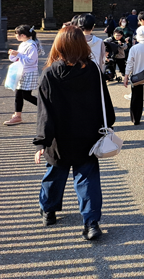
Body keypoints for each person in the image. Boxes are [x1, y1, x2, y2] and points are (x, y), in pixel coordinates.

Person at [33, 25, 115, 241]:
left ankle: (48, 211)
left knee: (54, 175)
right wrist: (107, 125)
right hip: (87, 135)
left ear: (58, 45)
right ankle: (91, 223)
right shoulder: (93, 70)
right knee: (87, 179)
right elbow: (104, 103)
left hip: (59, 138)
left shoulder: (50, 74)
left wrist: (43, 142)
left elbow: (45, 112)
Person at [3, 25, 42, 126]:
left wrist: (18, 55)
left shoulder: (31, 45)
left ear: (23, 35)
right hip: (22, 71)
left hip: (28, 72)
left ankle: (47, 107)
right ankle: (17, 115)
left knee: (25, 95)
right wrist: (13, 55)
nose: (15, 36)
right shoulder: (24, 44)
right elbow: (18, 58)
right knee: (20, 94)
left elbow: (30, 61)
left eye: (17, 34)